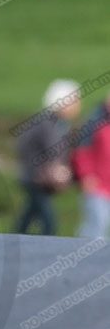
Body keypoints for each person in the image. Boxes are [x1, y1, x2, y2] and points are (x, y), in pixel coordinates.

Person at [14, 79, 80, 235]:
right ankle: (45, 254)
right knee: (48, 219)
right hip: (34, 179)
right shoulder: (45, 122)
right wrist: (48, 168)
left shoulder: (59, 122)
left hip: (41, 180)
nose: (77, 105)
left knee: (28, 216)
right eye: (74, 100)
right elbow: (27, 148)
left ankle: (12, 243)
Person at [72, 90, 110, 238]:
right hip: (96, 184)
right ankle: (86, 258)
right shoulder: (94, 121)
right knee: (96, 224)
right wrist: (86, 175)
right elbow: (82, 151)